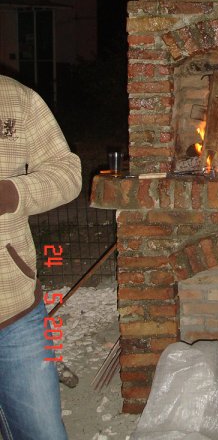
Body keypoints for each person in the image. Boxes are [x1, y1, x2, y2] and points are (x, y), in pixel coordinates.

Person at [0, 74, 82, 440]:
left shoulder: (17, 98)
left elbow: (67, 173)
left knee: (44, 433)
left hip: (15, 308)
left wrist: (11, 193)